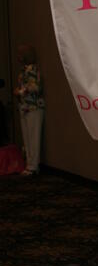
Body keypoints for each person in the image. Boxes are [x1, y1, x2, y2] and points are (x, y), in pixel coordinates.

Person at [14, 45, 45, 175]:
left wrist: (21, 91)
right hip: (24, 107)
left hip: (33, 107)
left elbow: (36, 87)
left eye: (20, 54)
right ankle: (29, 164)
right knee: (27, 138)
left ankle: (33, 165)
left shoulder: (32, 69)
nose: (18, 57)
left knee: (33, 137)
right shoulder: (23, 70)